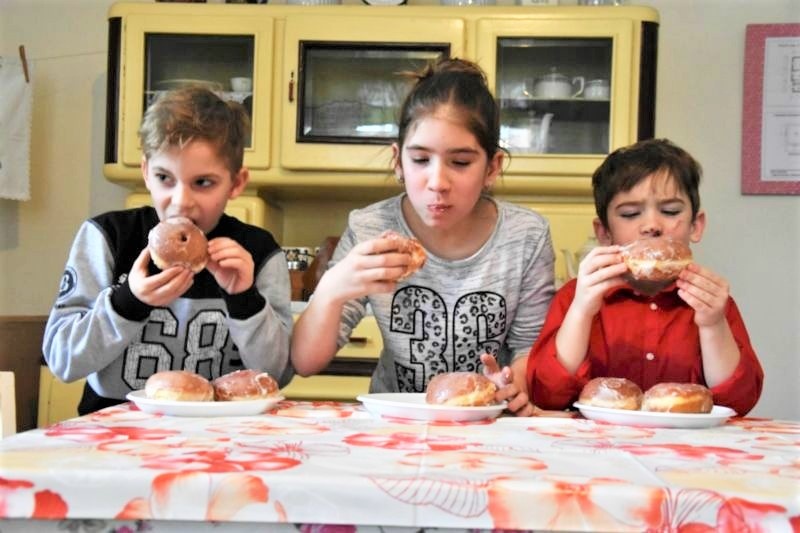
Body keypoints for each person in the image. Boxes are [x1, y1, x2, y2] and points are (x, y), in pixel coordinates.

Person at [291, 58, 556, 416]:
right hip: (396, 421)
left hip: (488, 421)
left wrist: (510, 383)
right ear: (398, 161)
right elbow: (305, 363)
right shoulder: (369, 228)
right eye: (420, 160)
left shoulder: (526, 236)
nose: (437, 182)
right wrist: (332, 289)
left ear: (492, 167)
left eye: (460, 163)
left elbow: (529, 349)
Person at [42, 87, 293, 415]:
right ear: (146, 172)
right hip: (117, 428)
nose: (181, 201)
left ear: (236, 183)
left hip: (220, 431)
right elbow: (62, 360)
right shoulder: (109, 237)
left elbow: (278, 375)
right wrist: (128, 302)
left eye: (203, 182)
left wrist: (244, 300)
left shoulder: (258, 253)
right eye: (165, 178)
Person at [526, 138, 763, 415]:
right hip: (599, 439)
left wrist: (712, 325)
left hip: (687, 440)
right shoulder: (576, 297)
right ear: (604, 233)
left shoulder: (711, 302)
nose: (651, 225)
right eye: (630, 214)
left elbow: (738, 403)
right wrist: (581, 311)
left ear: (696, 226)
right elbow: (547, 394)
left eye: (670, 211)